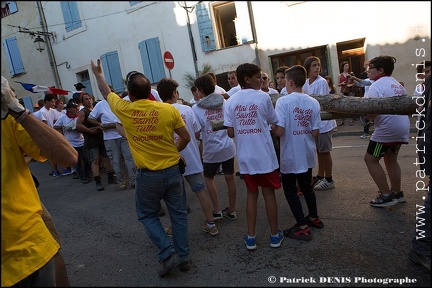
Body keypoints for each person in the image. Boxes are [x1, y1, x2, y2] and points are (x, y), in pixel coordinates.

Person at [91, 61, 191, 277]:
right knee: (179, 214)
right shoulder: (168, 109)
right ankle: (184, 257)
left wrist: (99, 74)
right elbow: (186, 137)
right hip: (173, 170)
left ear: (130, 93)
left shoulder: (125, 109)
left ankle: (167, 252)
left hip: (148, 176)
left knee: (147, 215)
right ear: (149, 91)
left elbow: (105, 91)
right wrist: (175, 151)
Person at [1, 75, 78, 287]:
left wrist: (17, 110)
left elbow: (68, 157)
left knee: (54, 253)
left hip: (30, 246)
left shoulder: (8, 119)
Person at [224, 63, 283, 250]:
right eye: (258, 77)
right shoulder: (263, 97)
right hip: (265, 155)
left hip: (246, 157)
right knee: (268, 194)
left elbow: (231, 132)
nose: (261, 80)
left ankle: (251, 237)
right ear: (247, 79)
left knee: (251, 194)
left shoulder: (231, 101)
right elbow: (273, 120)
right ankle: (274, 236)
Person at [158, 78, 218, 236]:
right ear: (174, 93)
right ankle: (211, 224)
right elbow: (197, 133)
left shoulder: (158, 112)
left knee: (174, 198)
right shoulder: (187, 110)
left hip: (169, 160)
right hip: (190, 156)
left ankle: (176, 229)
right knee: (200, 189)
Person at [272, 65, 323, 241]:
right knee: (307, 185)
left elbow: (279, 131)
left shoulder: (283, 101)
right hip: (307, 152)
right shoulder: (313, 102)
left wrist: (270, 126)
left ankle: (302, 227)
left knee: (290, 189)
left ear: (290, 82)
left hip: (291, 154)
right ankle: (314, 217)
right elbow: (315, 132)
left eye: (284, 81)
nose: (283, 84)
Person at [363, 55, 410, 207]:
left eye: (371, 68)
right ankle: (397, 193)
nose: (368, 70)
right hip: (402, 127)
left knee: (370, 159)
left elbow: (372, 112)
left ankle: (386, 195)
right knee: (391, 160)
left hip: (386, 131)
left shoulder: (375, 86)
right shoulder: (397, 84)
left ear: (381, 70)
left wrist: (364, 116)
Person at [192, 74, 237, 222]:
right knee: (229, 177)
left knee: (209, 178)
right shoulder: (223, 101)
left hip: (211, 149)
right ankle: (232, 210)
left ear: (200, 90)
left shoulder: (196, 108)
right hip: (228, 145)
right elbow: (228, 121)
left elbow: (198, 131)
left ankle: (217, 210)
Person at [302, 56, 337, 191]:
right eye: (314, 66)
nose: (317, 68)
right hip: (314, 123)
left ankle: (329, 179)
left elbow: (321, 103)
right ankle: (320, 175)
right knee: (319, 151)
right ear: (308, 69)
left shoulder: (321, 82)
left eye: (318, 65)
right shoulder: (306, 83)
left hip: (323, 124)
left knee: (324, 151)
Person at [409, 60, 431, 271]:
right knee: (381, 159)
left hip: (382, 137)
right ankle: (393, 192)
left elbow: (370, 113)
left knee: (372, 158)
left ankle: (390, 193)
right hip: (393, 136)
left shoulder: (379, 84)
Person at [88, 96, 136, 190]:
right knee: (115, 160)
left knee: (129, 158)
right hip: (109, 138)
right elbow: (91, 118)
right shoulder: (100, 105)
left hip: (123, 135)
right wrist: (100, 125)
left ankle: (133, 180)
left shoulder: (121, 102)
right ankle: (121, 181)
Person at [75, 92, 116, 191]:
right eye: (86, 99)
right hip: (91, 139)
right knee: (95, 160)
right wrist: (89, 131)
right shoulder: (83, 112)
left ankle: (111, 176)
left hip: (101, 137)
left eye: (89, 98)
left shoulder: (96, 109)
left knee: (106, 157)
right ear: (82, 101)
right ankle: (98, 181)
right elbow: (78, 125)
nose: (88, 100)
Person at [54, 100, 92, 184]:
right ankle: (82, 177)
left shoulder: (79, 117)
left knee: (86, 159)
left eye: (77, 107)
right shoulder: (63, 117)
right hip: (71, 143)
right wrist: (64, 127)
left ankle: (87, 174)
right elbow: (55, 127)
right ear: (69, 109)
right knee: (77, 161)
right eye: (74, 108)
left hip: (81, 141)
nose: (77, 109)